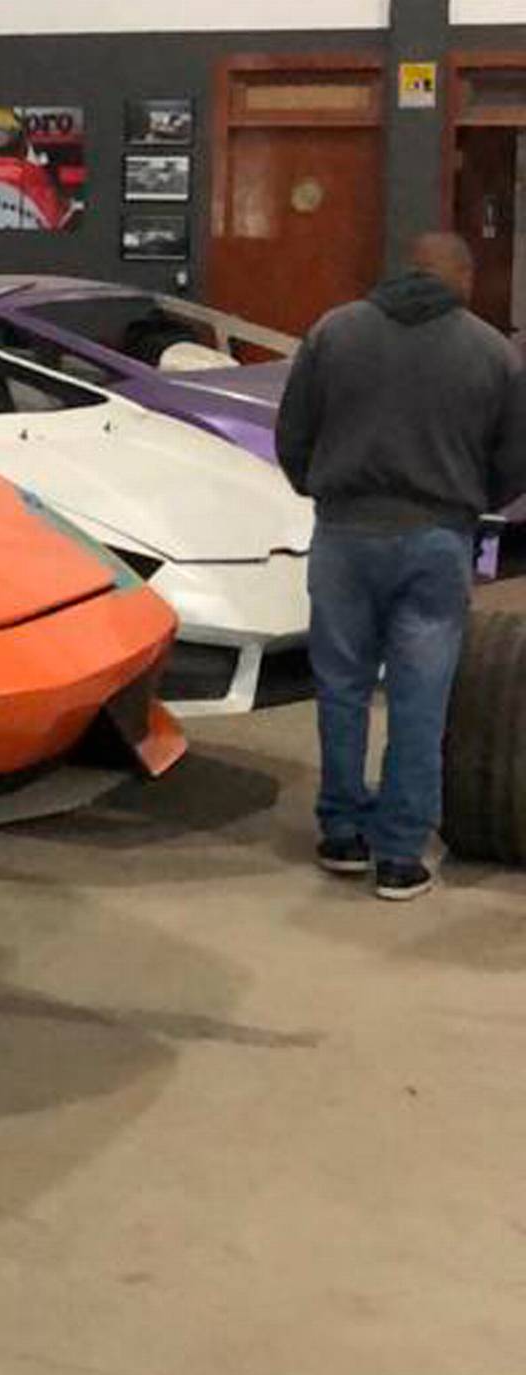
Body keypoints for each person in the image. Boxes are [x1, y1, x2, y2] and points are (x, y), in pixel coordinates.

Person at [276, 232, 526, 900]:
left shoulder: (332, 332)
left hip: (344, 537)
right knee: (420, 698)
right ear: (462, 278)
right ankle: (398, 855)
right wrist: (470, 501)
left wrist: (325, 489)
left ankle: (340, 833)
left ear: (407, 270)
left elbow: (292, 436)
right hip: (436, 540)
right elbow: (515, 461)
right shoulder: (493, 352)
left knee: (342, 687)